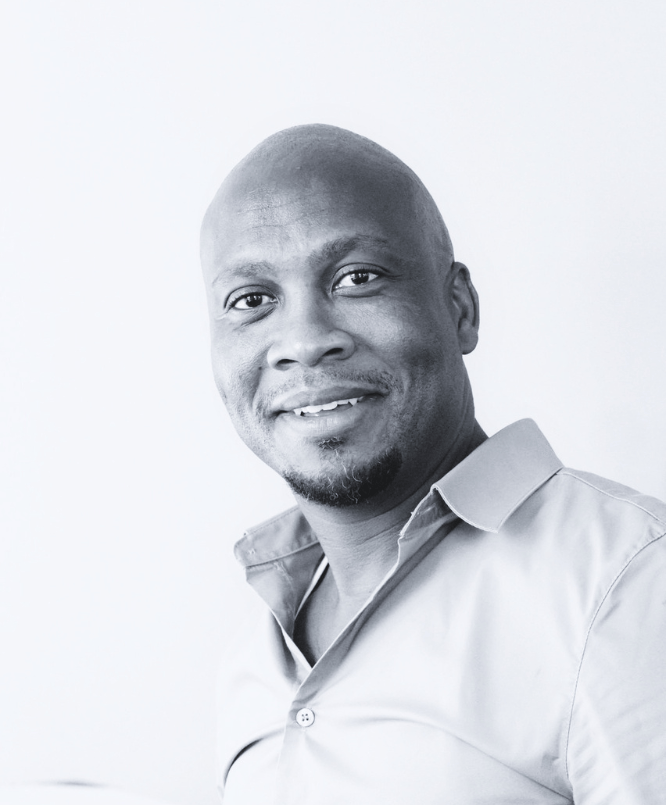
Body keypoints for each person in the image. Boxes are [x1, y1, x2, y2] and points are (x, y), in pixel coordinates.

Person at [199, 124, 666, 804]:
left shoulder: (627, 583)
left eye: (358, 278)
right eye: (252, 301)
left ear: (460, 308)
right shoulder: (253, 657)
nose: (304, 340)